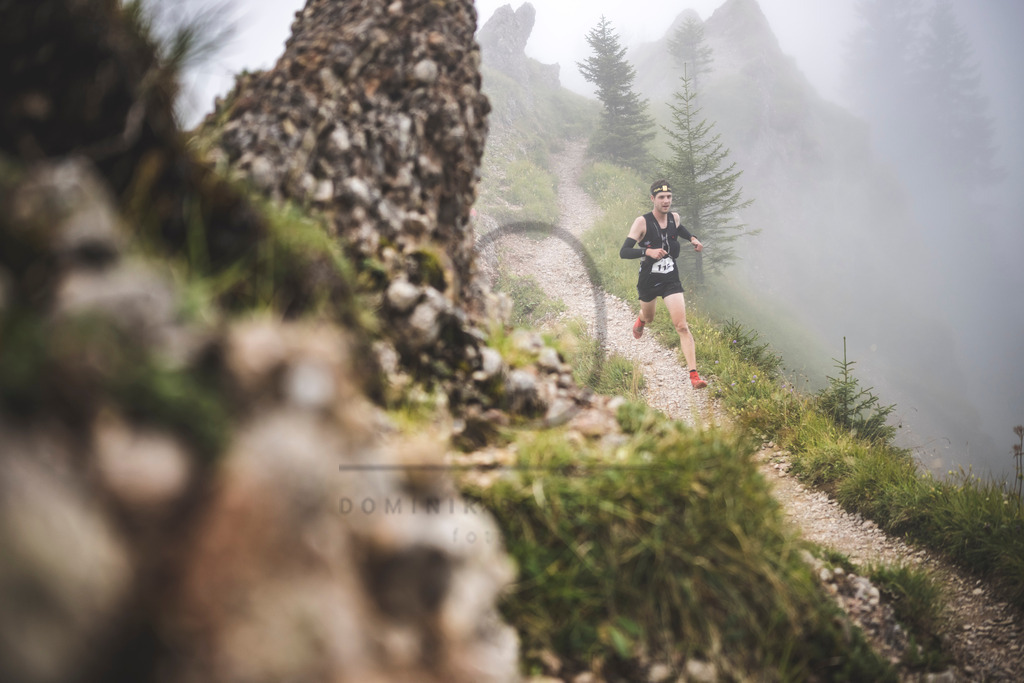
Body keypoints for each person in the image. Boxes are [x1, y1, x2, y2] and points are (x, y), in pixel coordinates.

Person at [619, 180, 707, 389]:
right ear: (653, 199)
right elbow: (624, 252)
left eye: (669, 197)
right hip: (648, 280)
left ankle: (694, 376)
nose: (666, 201)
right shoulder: (642, 222)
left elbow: (680, 229)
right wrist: (647, 251)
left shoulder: (674, 217)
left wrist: (693, 239)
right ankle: (641, 319)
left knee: (681, 326)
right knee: (649, 317)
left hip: (670, 278)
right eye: (661, 197)